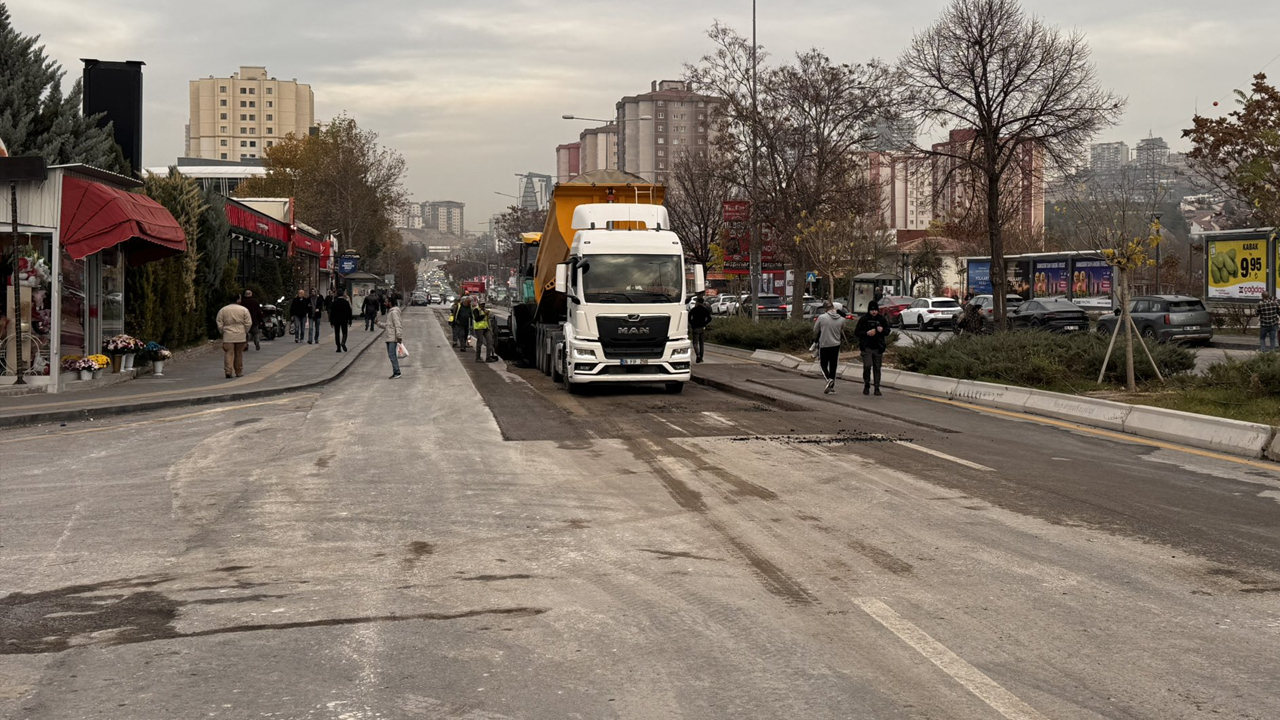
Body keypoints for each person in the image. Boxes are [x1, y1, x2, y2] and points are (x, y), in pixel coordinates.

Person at [854, 300, 891, 396]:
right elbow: (857, 332)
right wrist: (866, 333)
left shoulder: (881, 319)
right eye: (872, 310)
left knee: (877, 368)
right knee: (867, 365)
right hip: (867, 347)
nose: (874, 312)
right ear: (869, 310)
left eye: (875, 310)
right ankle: (866, 384)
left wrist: (882, 330)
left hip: (878, 347)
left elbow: (887, 331)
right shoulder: (864, 319)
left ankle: (877, 387)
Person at [812, 300, 847, 394]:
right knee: (833, 365)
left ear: (825, 309)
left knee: (823, 365)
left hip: (824, 344)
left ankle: (829, 379)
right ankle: (832, 386)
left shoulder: (822, 317)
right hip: (836, 345)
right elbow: (842, 328)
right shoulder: (841, 318)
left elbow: (815, 330)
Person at [216, 295, 253, 379]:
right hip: (240, 334)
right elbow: (248, 323)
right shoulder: (244, 310)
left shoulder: (223, 310)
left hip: (228, 334)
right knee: (239, 353)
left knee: (228, 352)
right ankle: (238, 371)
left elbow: (219, 322)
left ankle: (228, 371)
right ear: (238, 300)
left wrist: (223, 331)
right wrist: (245, 331)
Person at [375, 296, 404, 379]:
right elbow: (388, 326)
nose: (384, 303)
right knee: (391, 355)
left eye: (386, 301)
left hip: (392, 337)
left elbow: (398, 324)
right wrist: (378, 323)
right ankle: (396, 371)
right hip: (389, 336)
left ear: (390, 303)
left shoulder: (394, 312)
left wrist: (399, 336)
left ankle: (397, 372)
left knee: (392, 355)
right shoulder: (390, 312)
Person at [688, 296, 713, 363]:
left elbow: (689, 317)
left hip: (695, 328)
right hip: (702, 328)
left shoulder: (694, 309)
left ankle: (698, 355)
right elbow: (709, 318)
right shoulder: (705, 310)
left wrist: (692, 324)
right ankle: (701, 357)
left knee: (695, 343)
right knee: (701, 343)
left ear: (697, 302)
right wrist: (704, 323)